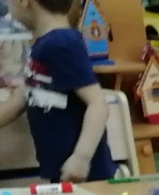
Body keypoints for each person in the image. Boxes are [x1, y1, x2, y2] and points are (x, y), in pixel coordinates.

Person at [0, 0, 116, 183]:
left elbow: (98, 104)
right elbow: (26, 97)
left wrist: (81, 158)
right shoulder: (45, 44)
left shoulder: (61, 43)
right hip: (62, 171)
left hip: (85, 175)